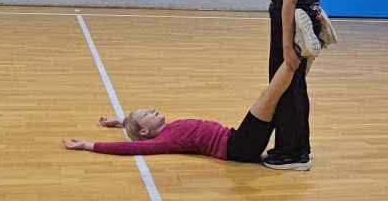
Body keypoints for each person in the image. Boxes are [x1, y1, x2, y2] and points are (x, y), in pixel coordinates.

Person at [64, 63, 297, 161]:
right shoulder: (165, 141)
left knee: (280, 98)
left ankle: (303, 55)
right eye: (147, 114)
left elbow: (133, 126)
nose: (153, 110)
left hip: (238, 140)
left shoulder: (167, 128)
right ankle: (297, 55)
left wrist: (118, 122)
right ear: (144, 131)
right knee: (270, 95)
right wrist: (89, 145)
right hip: (238, 147)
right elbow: (130, 148)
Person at [265, 0, 327, 171]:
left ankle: (290, 153)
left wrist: (287, 47)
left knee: (286, 88)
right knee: (296, 86)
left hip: (291, 28)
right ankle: (300, 149)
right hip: (305, 24)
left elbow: (289, 3)